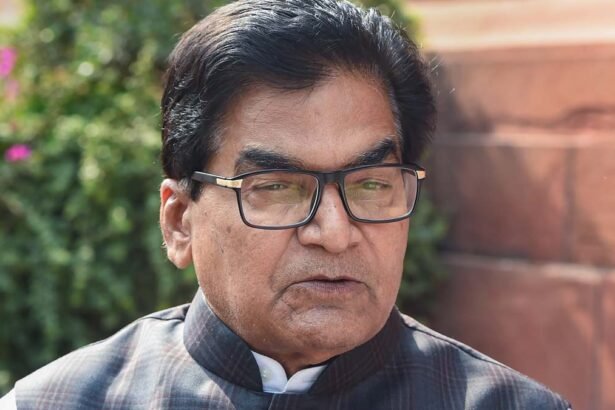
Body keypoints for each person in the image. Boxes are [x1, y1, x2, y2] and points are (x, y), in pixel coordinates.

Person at [1, 0, 571, 408]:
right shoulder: (61, 400)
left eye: (371, 184)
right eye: (276, 187)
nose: (335, 232)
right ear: (179, 221)